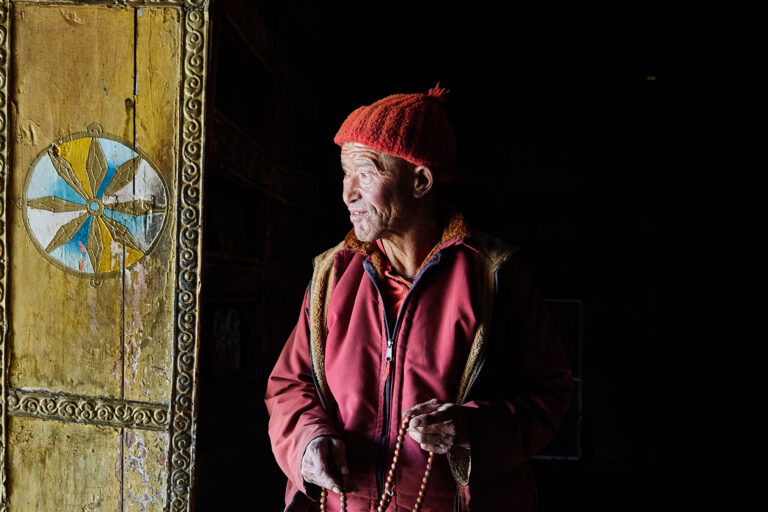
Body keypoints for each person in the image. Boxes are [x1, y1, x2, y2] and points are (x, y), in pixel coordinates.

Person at [265, 85, 574, 512]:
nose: (347, 193)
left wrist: (469, 428)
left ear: (421, 181)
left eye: (366, 173)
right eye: (344, 173)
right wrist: (308, 441)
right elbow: (288, 385)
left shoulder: (494, 276)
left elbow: (550, 395)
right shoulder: (333, 274)